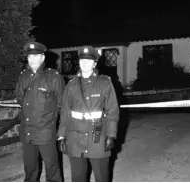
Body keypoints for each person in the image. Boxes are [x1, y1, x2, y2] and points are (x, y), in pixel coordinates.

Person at [58, 46, 120, 182]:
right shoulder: (71, 85)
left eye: (89, 60)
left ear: (95, 63)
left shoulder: (104, 83)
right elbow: (65, 113)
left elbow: (112, 111)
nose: (84, 62)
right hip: (75, 138)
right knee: (78, 177)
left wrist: (111, 135)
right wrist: (61, 135)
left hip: (97, 138)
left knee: (101, 176)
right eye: (82, 59)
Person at [15, 41, 65, 182]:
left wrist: (51, 121)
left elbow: (62, 104)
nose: (32, 60)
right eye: (30, 57)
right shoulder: (23, 76)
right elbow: (20, 98)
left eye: (35, 56)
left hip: (46, 132)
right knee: (30, 169)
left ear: (42, 58)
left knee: (52, 168)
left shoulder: (53, 77)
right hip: (28, 131)